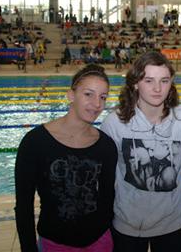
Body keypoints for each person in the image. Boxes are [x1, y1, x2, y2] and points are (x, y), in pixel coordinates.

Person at [100, 51, 181, 252]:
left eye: (164, 81)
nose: (157, 88)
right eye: (149, 80)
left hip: (173, 225)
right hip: (126, 226)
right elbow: (104, 178)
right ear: (135, 83)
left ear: (171, 83)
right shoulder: (114, 123)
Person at [14, 64, 118, 251]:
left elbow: (107, 199)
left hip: (100, 241)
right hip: (54, 242)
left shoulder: (106, 146)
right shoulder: (35, 142)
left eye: (103, 97)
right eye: (88, 94)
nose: (97, 104)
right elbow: (23, 206)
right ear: (71, 95)